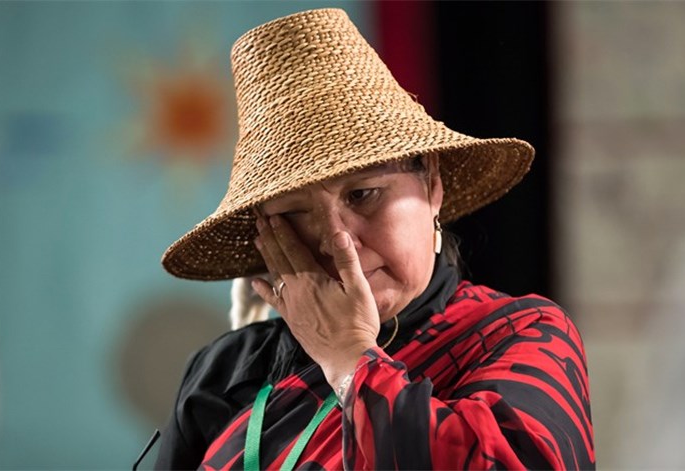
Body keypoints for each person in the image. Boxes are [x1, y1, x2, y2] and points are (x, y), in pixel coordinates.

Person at [154, 8, 595, 470]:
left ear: (432, 186)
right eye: (295, 216)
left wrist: (349, 357)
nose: (336, 239)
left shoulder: (518, 336)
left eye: (364, 194)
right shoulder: (225, 370)